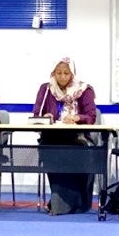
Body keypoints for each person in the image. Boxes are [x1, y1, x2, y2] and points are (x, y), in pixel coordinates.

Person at [32, 57, 97, 215]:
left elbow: (91, 116)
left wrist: (76, 118)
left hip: (77, 138)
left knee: (73, 153)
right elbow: (36, 114)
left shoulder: (84, 90)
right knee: (51, 150)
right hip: (51, 138)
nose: (62, 77)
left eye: (66, 73)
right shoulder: (46, 89)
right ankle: (59, 202)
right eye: (58, 73)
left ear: (72, 74)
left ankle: (67, 202)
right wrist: (46, 117)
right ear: (53, 73)